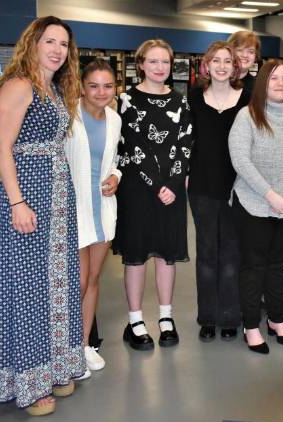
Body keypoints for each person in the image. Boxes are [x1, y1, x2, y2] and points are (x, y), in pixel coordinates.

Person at [0, 15, 84, 415]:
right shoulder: (18, 85)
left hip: (58, 199)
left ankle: (57, 366)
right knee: (29, 290)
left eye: (63, 44)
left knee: (58, 286)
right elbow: (0, 148)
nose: (56, 50)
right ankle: (29, 384)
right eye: (49, 41)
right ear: (32, 43)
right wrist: (16, 202)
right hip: (26, 199)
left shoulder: (55, 88)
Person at [228, 59, 283, 354]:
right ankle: (251, 325)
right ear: (263, 83)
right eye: (274, 79)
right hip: (254, 204)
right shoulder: (247, 116)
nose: (281, 84)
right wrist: (271, 195)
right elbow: (241, 160)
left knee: (279, 264)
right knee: (254, 266)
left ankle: (277, 320)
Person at [114, 39, 192, 351]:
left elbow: (186, 144)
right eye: (154, 61)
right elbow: (132, 146)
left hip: (171, 191)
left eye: (165, 62)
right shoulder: (125, 100)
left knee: (166, 253)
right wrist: (157, 184)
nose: (160, 68)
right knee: (136, 256)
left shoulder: (181, 102)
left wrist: (172, 184)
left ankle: (165, 317)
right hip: (137, 190)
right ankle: (135, 320)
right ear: (141, 64)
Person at [188, 41, 250, 342]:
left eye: (228, 61)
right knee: (207, 254)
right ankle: (208, 317)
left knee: (232, 253)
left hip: (238, 187)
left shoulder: (248, 98)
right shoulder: (193, 98)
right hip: (201, 186)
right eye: (216, 61)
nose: (222, 66)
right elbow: (185, 141)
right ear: (207, 66)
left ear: (235, 67)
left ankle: (230, 315)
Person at [65, 59, 121, 379]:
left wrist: (116, 176)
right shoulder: (69, 116)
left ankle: (85, 344)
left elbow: (115, 160)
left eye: (108, 86)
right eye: (94, 85)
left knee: (94, 280)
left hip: (102, 209)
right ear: (82, 87)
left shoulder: (114, 119)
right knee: (79, 282)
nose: (101, 92)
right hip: (73, 211)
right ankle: (68, 349)